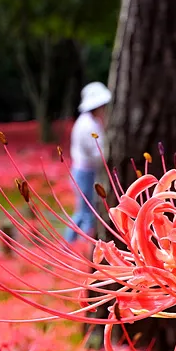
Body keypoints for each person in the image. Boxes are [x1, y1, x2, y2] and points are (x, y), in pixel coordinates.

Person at [64, 82, 110, 242]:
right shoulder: (89, 125)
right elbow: (98, 153)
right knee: (88, 213)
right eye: (103, 106)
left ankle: (69, 245)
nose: (104, 109)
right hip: (85, 173)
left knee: (83, 211)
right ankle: (80, 247)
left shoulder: (86, 121)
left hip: (82, 171)